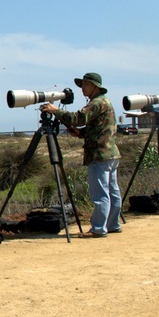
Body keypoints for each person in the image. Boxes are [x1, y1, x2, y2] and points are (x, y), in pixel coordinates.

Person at [42, 72, 122, 238]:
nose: (82, 89)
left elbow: (78, 118)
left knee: (100, 194)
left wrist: (55, 111)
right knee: (112, 192)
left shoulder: (96, 103)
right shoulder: (104, 102)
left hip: (99, 155)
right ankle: (113, 224)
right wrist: (80, 133)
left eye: (85, 85)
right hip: (110, 153)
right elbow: (100, 129)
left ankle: (99, 229)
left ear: (94, 86)